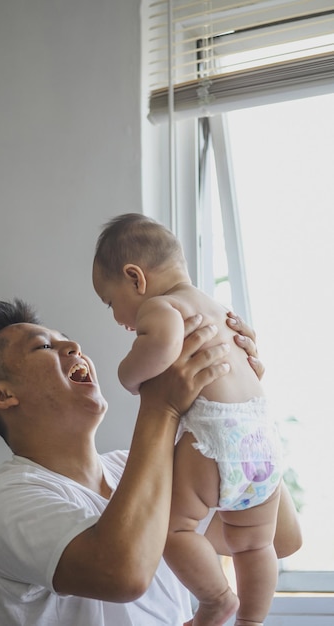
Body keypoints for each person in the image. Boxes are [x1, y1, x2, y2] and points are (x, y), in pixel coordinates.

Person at [0, 299, 301, 626]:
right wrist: (161, 406)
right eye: (44, 346)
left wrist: (238, 404)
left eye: (66, 339)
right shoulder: (5, 500)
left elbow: (281, 538)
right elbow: (123, 574)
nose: (73, 347)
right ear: (3, 395)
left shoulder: (137, 469)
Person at [93, 214, 294, 626]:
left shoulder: (163, 307)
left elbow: (162, 344)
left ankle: (217, 601)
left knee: (172, 531)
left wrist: (127, 375)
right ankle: (252, 620)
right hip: (263, 441)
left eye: (111, 302)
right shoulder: (220, 310)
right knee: (255, 545)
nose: (117, 318)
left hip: (217, 439)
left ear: (136, 278)